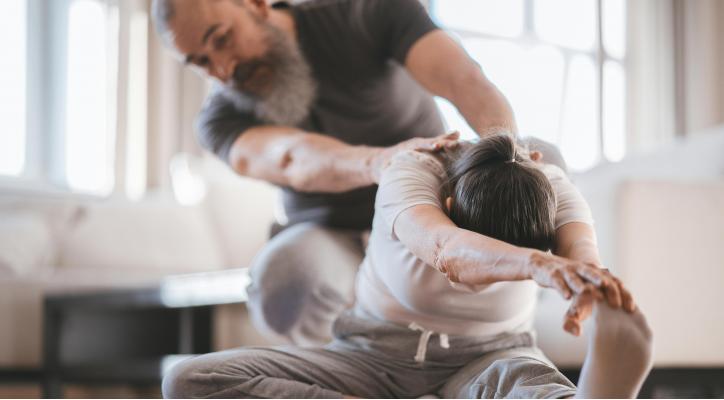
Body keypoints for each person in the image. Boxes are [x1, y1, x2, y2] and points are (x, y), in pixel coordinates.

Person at [162, 134, 654, 398]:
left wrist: (591, 282)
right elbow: (445, 249)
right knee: (189, 382)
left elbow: (583, 248)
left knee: (524, 387)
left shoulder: (550, 183)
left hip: (488, 355)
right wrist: (535, 265)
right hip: (371, 355)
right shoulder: (413, 173)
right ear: (448, 202)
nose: (487, 286)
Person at [151, 0, 518, 345]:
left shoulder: (365, 12)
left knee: (540, 156)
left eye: (222, 39)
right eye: (200, 62)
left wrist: (505, 159)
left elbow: (464, 81)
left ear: (256, 4)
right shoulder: (219, 119)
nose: (224, 69)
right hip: (329, 233)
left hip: (430, 208)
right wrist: (381, 163)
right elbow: (291, 158)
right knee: (284, 281)